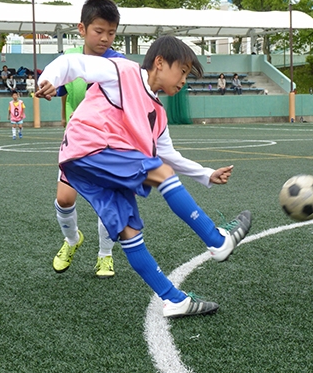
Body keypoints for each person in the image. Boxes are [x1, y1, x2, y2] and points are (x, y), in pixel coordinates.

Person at [35, 35, 253, 318]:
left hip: (88, 165)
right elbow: (72, 62)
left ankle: (174, 299)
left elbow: (169, 155)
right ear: (160, 63)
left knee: (129, 231)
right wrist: (48, 79)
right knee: (158, 172)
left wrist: (206, 174)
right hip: (90, 148)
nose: (184, 80)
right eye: (183, 71)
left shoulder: (158, 114)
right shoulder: (123, 71)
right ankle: (216, 240)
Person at [52, 0, 127, 279]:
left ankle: (105, 256)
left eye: (111, 32)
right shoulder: (69, 60)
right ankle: (72, 241)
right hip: (77, 142)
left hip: (109, 144)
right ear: (81, 29)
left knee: (106, 203)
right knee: (65, 199)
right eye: (99, 31)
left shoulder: (120, 65)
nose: (105, 38)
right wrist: (48, 89)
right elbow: (58, 87)